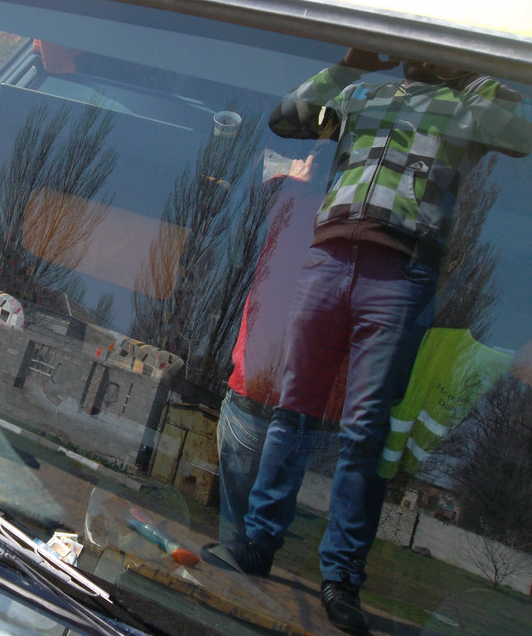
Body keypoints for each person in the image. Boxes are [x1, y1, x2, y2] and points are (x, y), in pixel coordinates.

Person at [204, 49, 532, 635]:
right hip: (328, 258)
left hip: (400, 272)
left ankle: (341, 577)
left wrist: (469, 64)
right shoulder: (362, 96)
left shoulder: (466, 108)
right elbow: (286, 117)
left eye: (432, 41)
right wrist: (352, 63)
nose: (417, 52)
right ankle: (258, 543)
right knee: (291, 409)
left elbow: (520, 132)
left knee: (364, 430)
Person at [216, 147, 344, 545]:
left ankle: (238, 554)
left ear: (315, 166)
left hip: (255, 392)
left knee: (235, 534)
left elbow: (243, 166)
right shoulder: (358, 227)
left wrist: (296, 174)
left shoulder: (290, 199)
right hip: (315, 410)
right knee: (263, 538)